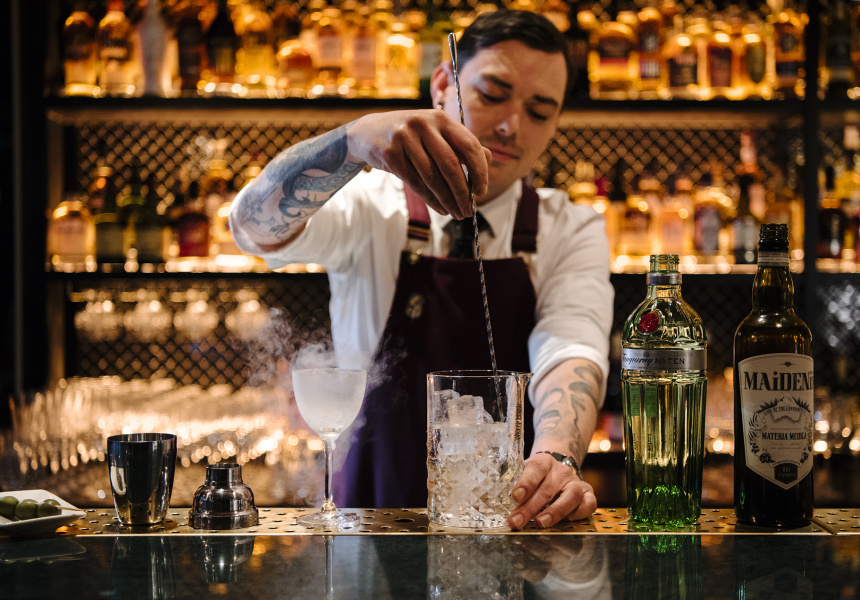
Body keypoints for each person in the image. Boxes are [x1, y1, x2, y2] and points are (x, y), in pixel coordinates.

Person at [230, 9, 613, 529]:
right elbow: (252, 228)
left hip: (508, 521)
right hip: (368, 520)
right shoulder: (370, 206)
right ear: (442, 85)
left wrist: (557, 454)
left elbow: (571, 346)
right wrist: (352, 142)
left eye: (540, 111)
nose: (510, 125)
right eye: (492, 94)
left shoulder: (570, 227)